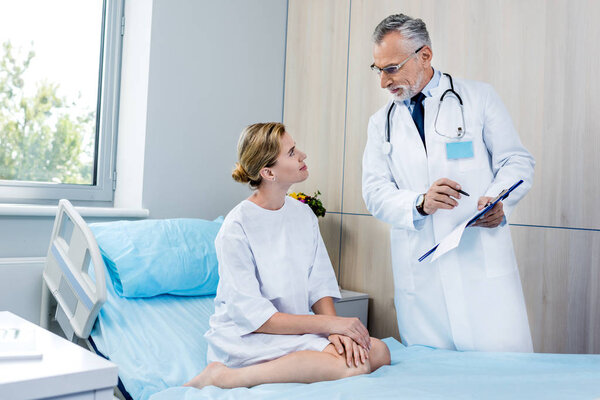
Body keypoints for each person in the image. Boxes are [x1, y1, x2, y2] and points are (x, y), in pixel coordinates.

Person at [362, 14, 535, 352]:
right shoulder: (379, 123)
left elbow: (516, 160)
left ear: (424, 56)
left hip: (479, 265)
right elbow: (374, 192)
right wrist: (419, 203)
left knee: (501, 376)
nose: (384, 82)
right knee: (435, 380)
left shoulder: (478, 98)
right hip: (423, 277)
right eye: (378, 69)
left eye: (392, 68)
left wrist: (498, 201)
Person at [185, 122, 390, 389]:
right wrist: (332, 324)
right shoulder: (236, 228)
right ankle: (223, 376)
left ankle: (301, 360)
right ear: (268, 172)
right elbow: (257, 318)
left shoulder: (303, 214)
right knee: (353, 364)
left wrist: (335, 330)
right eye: (292, 152)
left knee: (378, 352)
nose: (302, 155)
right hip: (250, 336)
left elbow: (319, 285)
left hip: (294, 331)